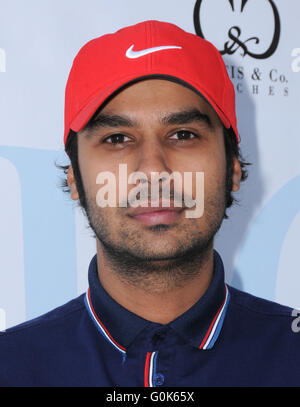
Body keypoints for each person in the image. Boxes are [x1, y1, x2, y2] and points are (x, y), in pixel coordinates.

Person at [0, 20, 299, 387]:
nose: (153, 170)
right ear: (75, 178)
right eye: (117, 138)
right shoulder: (10, 366)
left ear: (233, 168)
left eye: (183, 134)